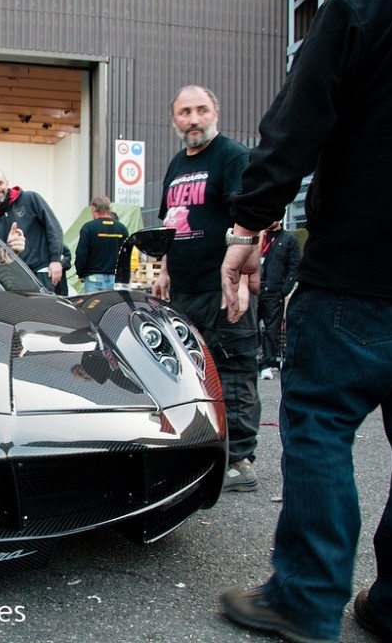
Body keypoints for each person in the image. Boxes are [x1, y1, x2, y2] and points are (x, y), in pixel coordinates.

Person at [219, 0, 392, 641]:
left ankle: (307, 597)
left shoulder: (369, 3)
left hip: (360, 269)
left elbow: (296, 123)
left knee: (321, 426)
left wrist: (247, 228)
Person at [154, 85, 261, 493]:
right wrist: (165, 270)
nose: (193, 119)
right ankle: (203, 449)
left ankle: (240, 461)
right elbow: (172, 221)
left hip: (224, 288)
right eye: (184, 112)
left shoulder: (233, 157)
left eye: (201, 110)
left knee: (233, 369)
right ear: (174, 119)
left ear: (215, 111)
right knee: (191, 371)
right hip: (184, 288)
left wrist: (246, 274)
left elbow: (251, 215)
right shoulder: (177, 164)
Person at [0, 169, 66, 292]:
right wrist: (7, 249)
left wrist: (55, 261)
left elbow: (53, 228)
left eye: (0, 183)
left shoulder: (30, 199)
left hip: (45, 273)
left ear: (7, 183)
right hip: (18, 281)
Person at [255, 220, 299, 380]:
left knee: (271, 329)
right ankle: (257, 359)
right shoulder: (259, 236)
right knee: (252, 326)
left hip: (274, 291)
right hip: (255, 288)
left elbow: (293, 266)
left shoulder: (288, 240)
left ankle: (268, 362)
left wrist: (284, 289)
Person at [74, 195, 128, 292]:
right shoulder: (122, 229)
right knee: (113, 306)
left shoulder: (88, 228)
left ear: (94, 208)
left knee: (92, 306)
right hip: (115, 278)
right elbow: (126, 255)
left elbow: (81, 254)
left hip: (93, 278)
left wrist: (81, 273)